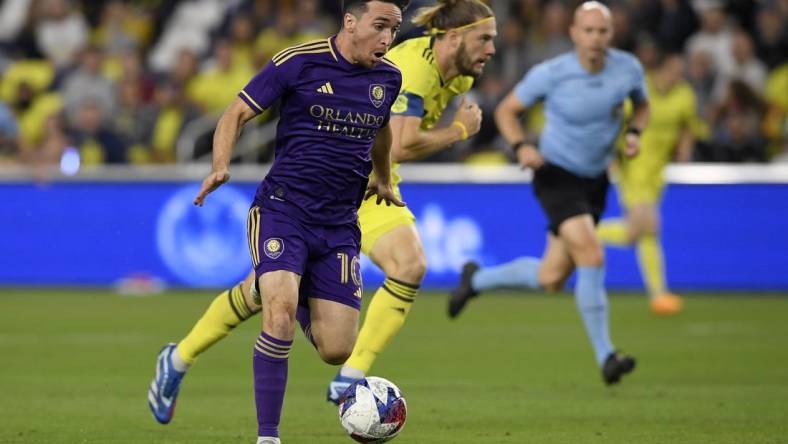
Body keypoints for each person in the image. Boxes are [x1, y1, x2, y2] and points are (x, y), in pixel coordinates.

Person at [147, 0, 497, 424]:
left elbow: (385, 132)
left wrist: (384, 176)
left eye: (394, 29)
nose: (492, 49)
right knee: (404, 265)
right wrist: (459, 131)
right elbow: (402, 140)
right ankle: (344, 382)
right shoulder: (393, 69)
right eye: (485, 38)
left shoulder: (413, 76)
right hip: (298, 201)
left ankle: (182, 356)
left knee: (278, 297)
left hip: (354, 194)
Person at [448, 1, 648, 386]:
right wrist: (522, 146)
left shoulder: (628, 69)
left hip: (594, 181)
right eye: (588, 31)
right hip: (554, 173)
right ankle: (607, 355)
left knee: (551, 277)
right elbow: (507, 111)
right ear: (574, 33)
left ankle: (476, 281)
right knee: (591, 251)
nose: (595, 38)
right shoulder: (552, 73)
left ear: (611, 34)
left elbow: (642, 106)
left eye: (602, 31)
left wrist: (635, 133)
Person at [598, 52, 696, 316]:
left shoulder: (684, 94)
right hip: (634, 167)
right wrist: (609, 155)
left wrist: (684, 155)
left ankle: (587, 232)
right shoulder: (640, 90)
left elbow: (686, 127)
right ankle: (659, 294)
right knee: (649, 227)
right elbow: (615, 122)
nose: (678, 77)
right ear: (660, 69)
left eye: (680, 72)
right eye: (673, 71)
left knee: (638, 234)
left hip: (657, 172)